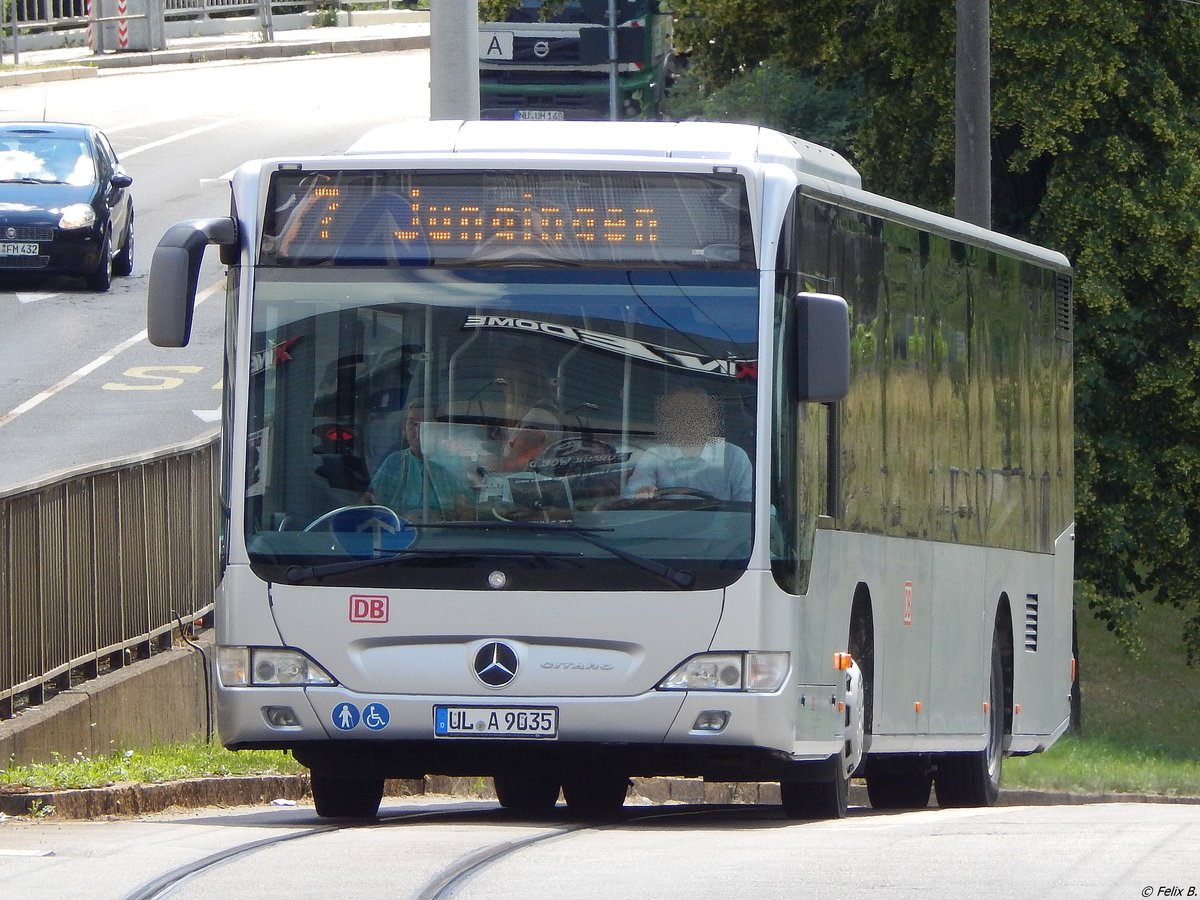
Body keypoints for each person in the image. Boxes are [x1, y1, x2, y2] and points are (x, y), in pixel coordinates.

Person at [625, 388, 752, 502]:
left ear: (710, 421)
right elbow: (634, 494)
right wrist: (643, 492)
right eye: (680, 415)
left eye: (696, 414)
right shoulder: (654, 455)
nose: (688, 421)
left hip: (720, 528)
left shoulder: (734, 456)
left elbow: (747, 507)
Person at [362, 399, 468, 519]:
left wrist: (439, 516)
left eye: (425, 424)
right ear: (403, 428)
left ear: (437, 428)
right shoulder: (394, 462)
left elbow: (467, 510)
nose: (418, 430)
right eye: (413, 423)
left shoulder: (452, 462)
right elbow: (369, 502)